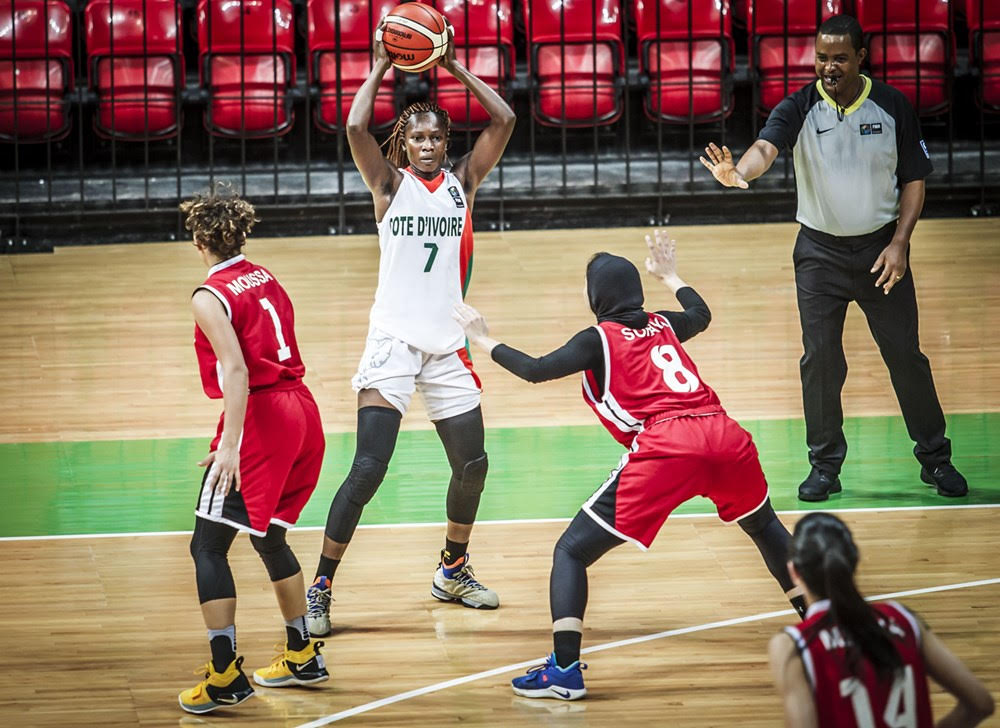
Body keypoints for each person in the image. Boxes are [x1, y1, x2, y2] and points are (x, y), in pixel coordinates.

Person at [453, 230, 808, 700]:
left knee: (572, 551)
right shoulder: (663, 324)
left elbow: (536, 370)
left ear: (596, 298)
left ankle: (563, 670)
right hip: (725, 433)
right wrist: (671, 275)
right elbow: (701, 315)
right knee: (764, 527)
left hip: (669, 444)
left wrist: (482, 339)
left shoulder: (598, 338)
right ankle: (832, 631)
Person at [700, 14, 968, 502]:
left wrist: (900, 243)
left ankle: (936, 459)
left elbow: (914, 179)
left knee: (905, 357)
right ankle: (824, 467)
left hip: (880, 252)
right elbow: (766, 145)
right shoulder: (799, 106)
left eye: (839, 58)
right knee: (820, 361)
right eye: (821, 57)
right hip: (819, 255)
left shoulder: (892, 106)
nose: (828, 66)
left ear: (860, 58)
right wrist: (740, 172)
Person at [305, 25, 516, 637]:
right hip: (394, 341)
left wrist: (452, 67)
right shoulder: (388, 186)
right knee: (369, 468)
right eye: (416, 137)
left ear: (446, 142)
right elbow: (353, 129)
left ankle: (452, 569)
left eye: (435, 137)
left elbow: (502, 120)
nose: (426, 145)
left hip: (446, 345)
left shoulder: (462, 185)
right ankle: (321, 585)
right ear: (404, 142)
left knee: (472, 464)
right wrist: (378, 67)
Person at [177, 185, 328, 714]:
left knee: (207, 546)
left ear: (199, 238)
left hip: (263, 417)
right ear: (240, 232)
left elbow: (238, 370)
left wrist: (230, 446)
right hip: (303, 411)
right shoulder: (265, 276)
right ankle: (301, 651)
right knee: (270, 539)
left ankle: (224, 676)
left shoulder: (208, 294)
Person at [769, 512, 994, 727]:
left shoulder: (794, 645)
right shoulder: (904, 619)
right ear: (854, 561)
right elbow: (981, 704)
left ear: (794, 571)